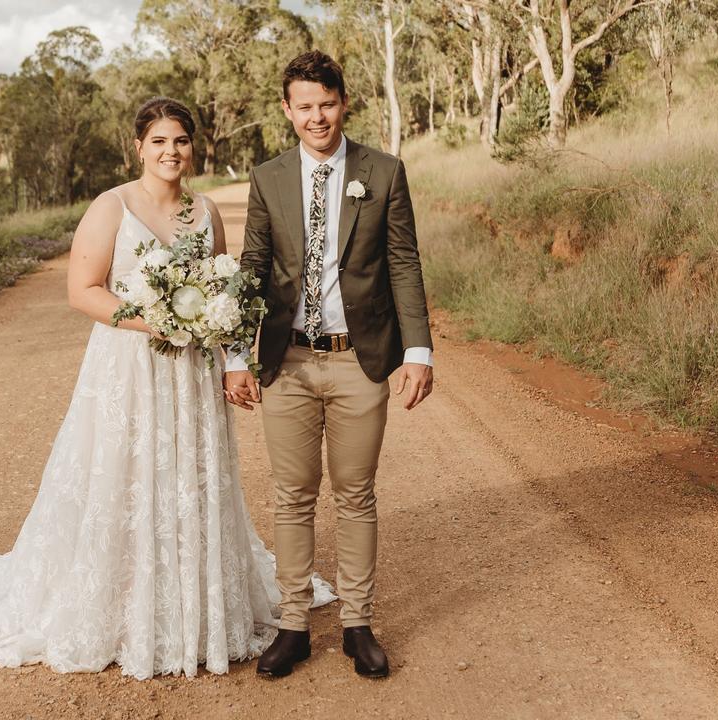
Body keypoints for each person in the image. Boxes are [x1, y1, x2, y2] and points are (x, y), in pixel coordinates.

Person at [0, 97, 333, 681]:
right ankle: (124, 611)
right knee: (126, 479)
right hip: (131, 368)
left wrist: (230, 360)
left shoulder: (205, 212)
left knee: (188, 484)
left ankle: (191, 611)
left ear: (192, 146)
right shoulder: (112, 207)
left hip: (191, 375)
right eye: (159, 142)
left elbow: (223, 298)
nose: (170, 152)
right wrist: (159, 321)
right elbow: (83, 290)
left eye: (180, 141)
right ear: (139, 147)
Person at [223, 50, 434, 680]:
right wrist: (237, 354)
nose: (318, 117)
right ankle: (292, 625)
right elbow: (252, 270)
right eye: (305, 106)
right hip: (285, 362)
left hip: (358, 363)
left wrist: (418, 351)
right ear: (288, 111)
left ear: (345, 103)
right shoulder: (267, 178)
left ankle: (356, 623)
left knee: (356, 494)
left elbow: (404, 263)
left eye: (328, 103)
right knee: (291, 496)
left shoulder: (385, 172)